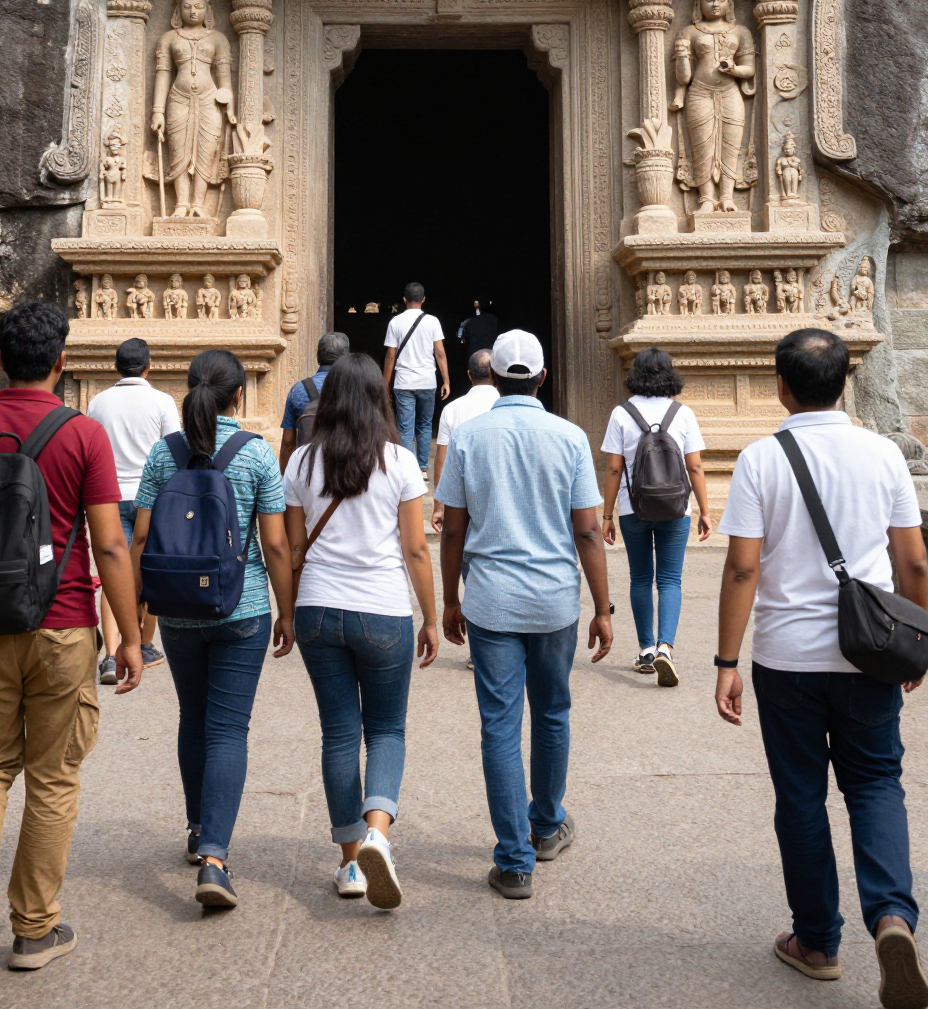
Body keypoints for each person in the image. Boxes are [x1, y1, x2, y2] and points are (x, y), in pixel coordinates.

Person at [0, 301, 142, 997]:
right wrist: (130, 636)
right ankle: (34, 928)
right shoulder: (82, 435)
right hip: (63, 625)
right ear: (62, 361)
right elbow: (109, 543)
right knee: (52, 777)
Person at [716, 328, 928, 1009]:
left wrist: (726, 661)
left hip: (787, 660)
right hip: (867, 655)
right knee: (874, 785)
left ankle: (817, 943)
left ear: (782, 386)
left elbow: (743, 566)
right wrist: (912, 641)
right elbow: (914, 563)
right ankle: (892, 918)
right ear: (848, 380)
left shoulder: (759, 459)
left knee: (801, 798)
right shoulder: (882, 454)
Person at [437, 329, 613, 901]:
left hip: (491, 598)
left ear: (490, 376)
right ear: (542, 377)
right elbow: (587, 528)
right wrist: (604, 608)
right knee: (553, 712)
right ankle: (545, 824)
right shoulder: (568, 437)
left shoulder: (469, 435)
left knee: (499, 724)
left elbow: (453, 527)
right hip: (555, 599)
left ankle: (514, 861)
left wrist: (449, 598)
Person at [129, 349, 295, 910]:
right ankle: (216, 860)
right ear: (238, 396)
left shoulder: (162, 454)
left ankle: (198, 829)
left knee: (192, 718)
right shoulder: (255, 455)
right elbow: (274, 543)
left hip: (177, 612)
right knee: (228, 730)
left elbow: (141, 539)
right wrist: (287, 609)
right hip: (240, 610)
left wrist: (136, 618)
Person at [283, 353, 439, 909]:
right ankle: (379, 832)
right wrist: (432, 616)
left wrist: (287, 610)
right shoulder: (398, 461)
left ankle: (350, 864)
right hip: (382, 609)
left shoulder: (300, 463)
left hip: (319, 609)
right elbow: (416, 548)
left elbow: (293, 550)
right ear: (380, 397)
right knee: (388, 730)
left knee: (339, 733)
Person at [599, 347, 713, 684]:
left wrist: (607, 515)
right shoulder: (683, 413)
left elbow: (614, 468)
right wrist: (705, 511)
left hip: (633, 507)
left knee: (639, 578)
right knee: (669, 580)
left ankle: (646, 649)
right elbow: (694, 466)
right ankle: (666, 647)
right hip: (676, 508)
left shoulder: (622, 413)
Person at [85, 338, 178, 683]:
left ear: (116, 366)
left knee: (114, 572)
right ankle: (145, 643)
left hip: (107, 497)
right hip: (151, 499)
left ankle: (110, 654)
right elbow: (172, 453)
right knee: (151, 571)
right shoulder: (162, 401)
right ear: (148, 366)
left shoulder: (98, 402)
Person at [382, 282, 449, 473]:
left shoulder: (395, 322)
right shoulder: (433, 321)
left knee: (405, 427)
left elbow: (390, 356)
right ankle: (421, 469)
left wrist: (385, 384)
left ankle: (407, 470)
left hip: (403, 383)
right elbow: (440, 353)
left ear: (404, 300)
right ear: (423, 299)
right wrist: (446, 380)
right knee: (425, 425)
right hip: (427, 381)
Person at [431, 348, 498, 531]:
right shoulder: (505, 404)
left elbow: (441, 461)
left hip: (462, 497)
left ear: (469, 375)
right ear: (497, 373)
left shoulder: (452, 409)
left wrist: (439, 505)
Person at [278, 330, 350, 473]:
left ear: (317, 356)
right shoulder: (355, 386)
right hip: (347, 468)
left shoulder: (298, 390)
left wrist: (285, 477)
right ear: (346, 359)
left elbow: (288, 442)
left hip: (308, 469)